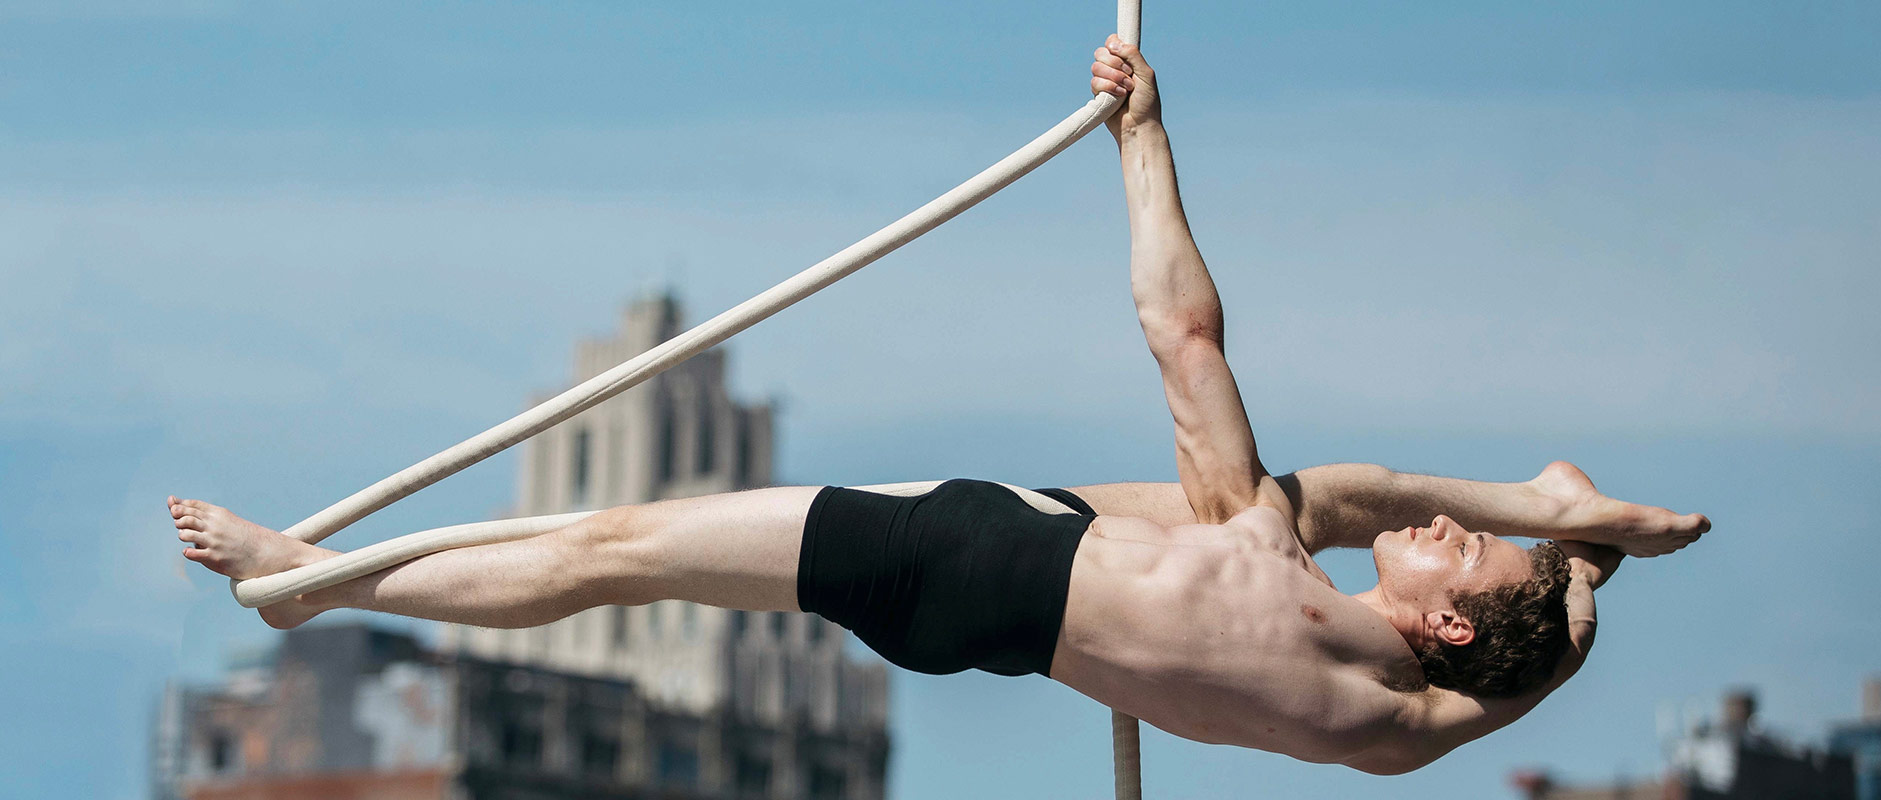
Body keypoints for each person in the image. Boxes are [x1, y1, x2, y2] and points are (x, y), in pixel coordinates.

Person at [167, 37, 1707, 773]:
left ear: (1444, 622)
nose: (1439, 535)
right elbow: (1510, 675)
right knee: (1332, 488)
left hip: (978, 562)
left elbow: (1183, 330)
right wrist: (1563, 584)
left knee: (612, 544)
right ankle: (1564, 517)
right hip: (1025, 597)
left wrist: (1141, 139)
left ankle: (304, 582)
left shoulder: (1270, 571)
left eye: (1467, 553)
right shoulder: (1392, 730)